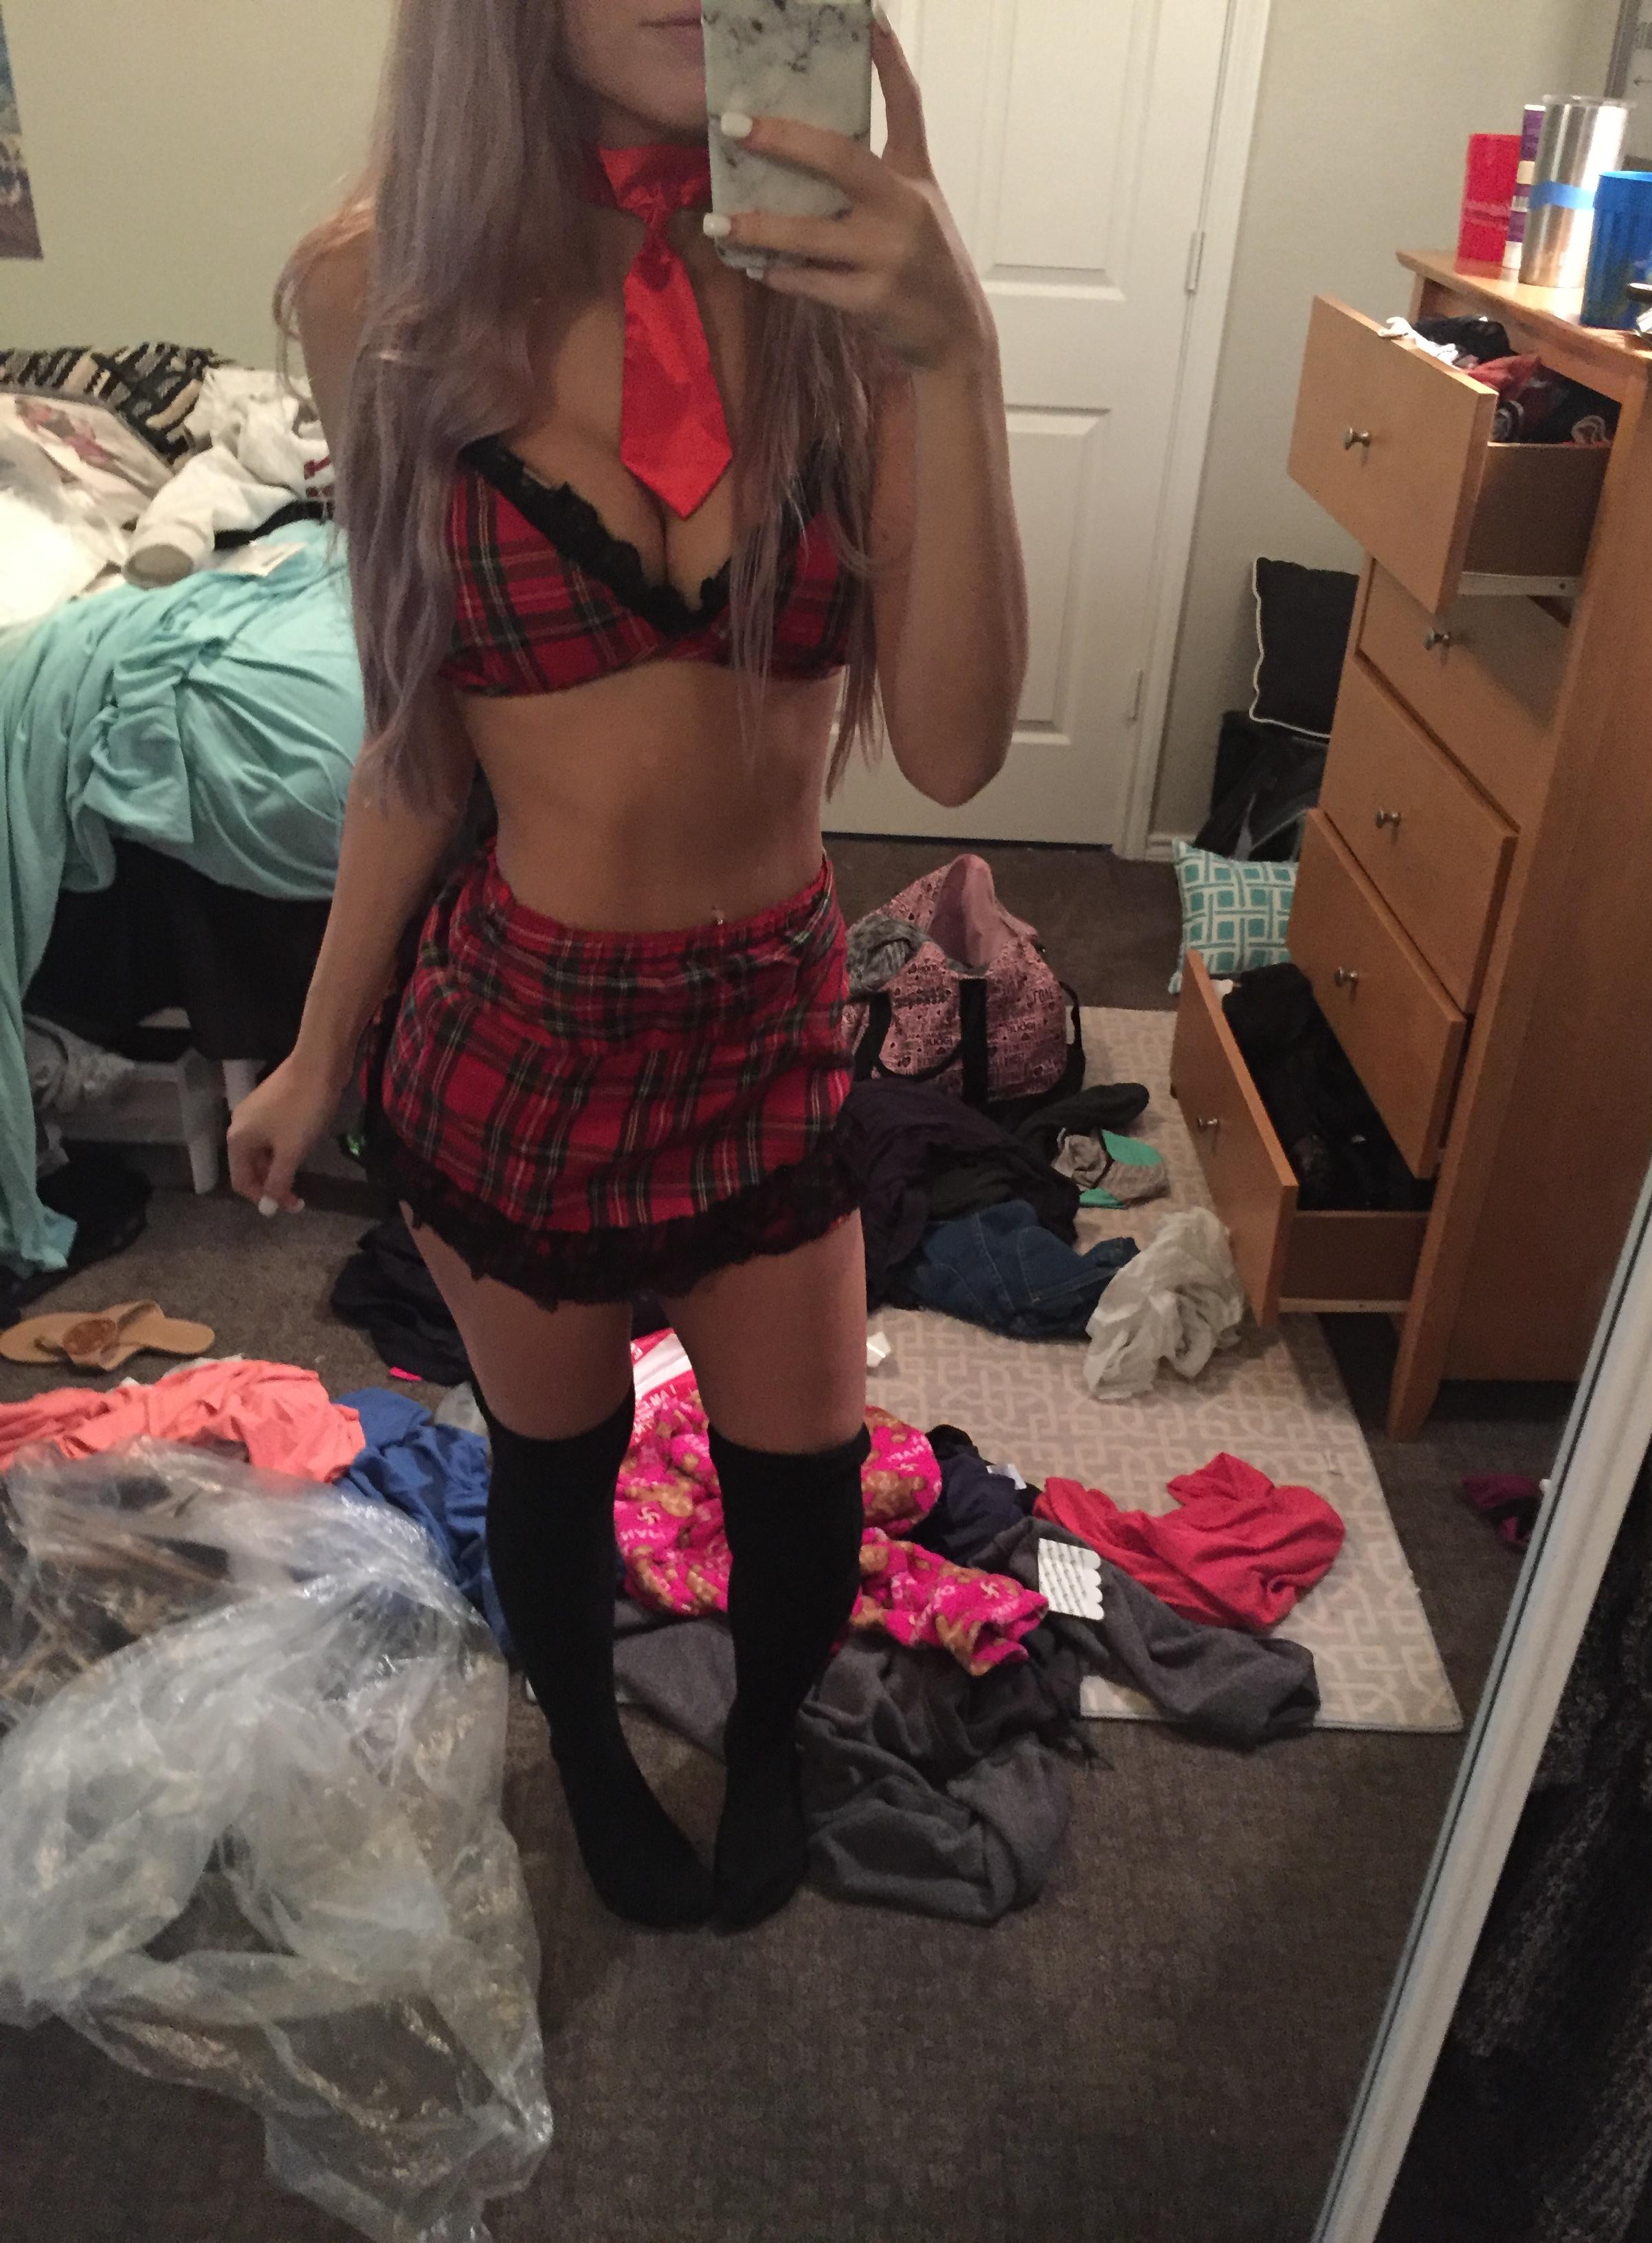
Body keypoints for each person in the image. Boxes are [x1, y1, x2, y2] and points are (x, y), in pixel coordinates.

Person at [228, 0, 1027, 1932]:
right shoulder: (375, 291)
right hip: (520, 1030)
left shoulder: (853, 277)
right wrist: (318, 1050)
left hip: (769, 1020)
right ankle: (587, 1755)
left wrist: (955, 350)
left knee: (803, 1479)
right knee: (556, 1464)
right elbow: (416, 740)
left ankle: (767, 1746)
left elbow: (955, 751)